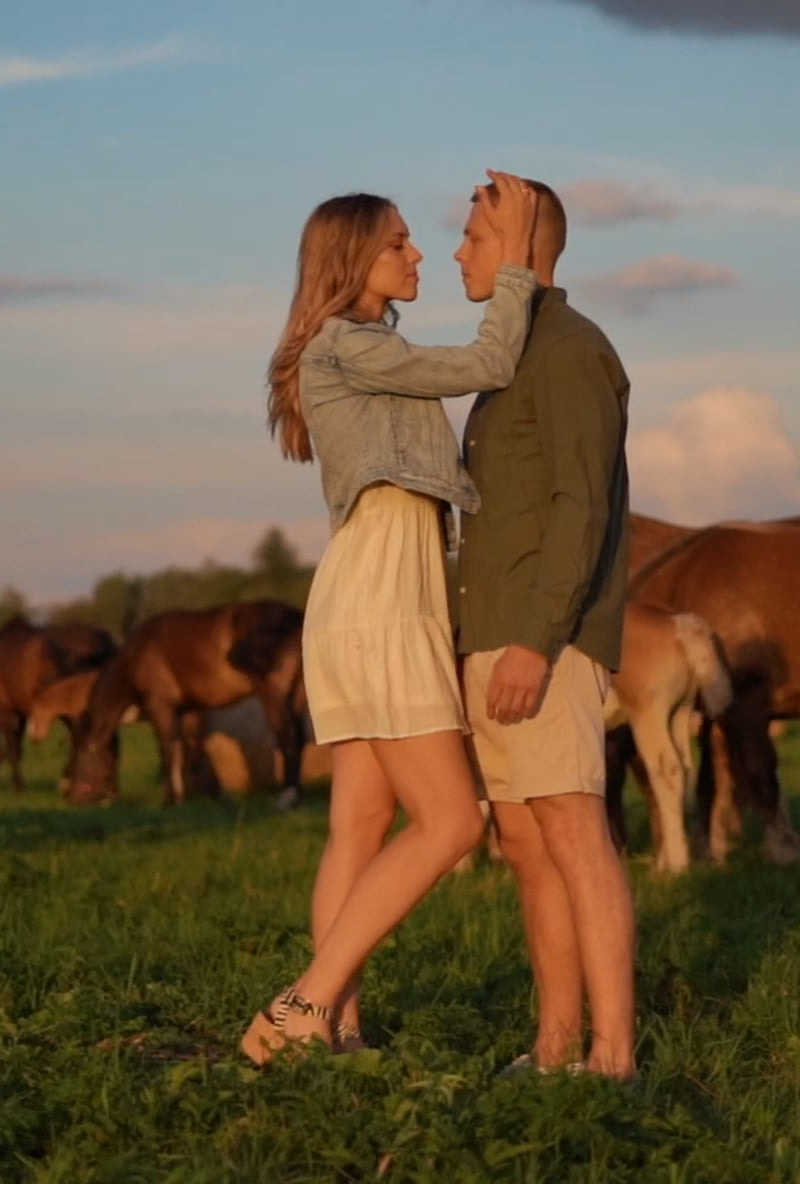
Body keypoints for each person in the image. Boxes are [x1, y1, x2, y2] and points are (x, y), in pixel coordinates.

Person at [242, 172, 543, 1064]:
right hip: (381, 590)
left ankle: (335, 1030)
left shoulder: (357, 348)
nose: (418, 255)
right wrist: (520, 259)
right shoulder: (345, 345)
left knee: (361, 826)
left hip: (374, 585)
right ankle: (303, 1006)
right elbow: (487, 363)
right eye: (399, 242)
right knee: (453, 824)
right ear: (352, 259)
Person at [455, 179, 637, 1080]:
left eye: (473, 233)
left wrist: (537, 639)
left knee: (575, 834)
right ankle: (555, 1044)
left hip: (544, 643)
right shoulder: (506, 355)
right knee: (528, 850)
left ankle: (614, 1057)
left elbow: (582, 506)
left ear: (525, 241)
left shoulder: (569, 350)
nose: (458, 252)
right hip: (494, 636)